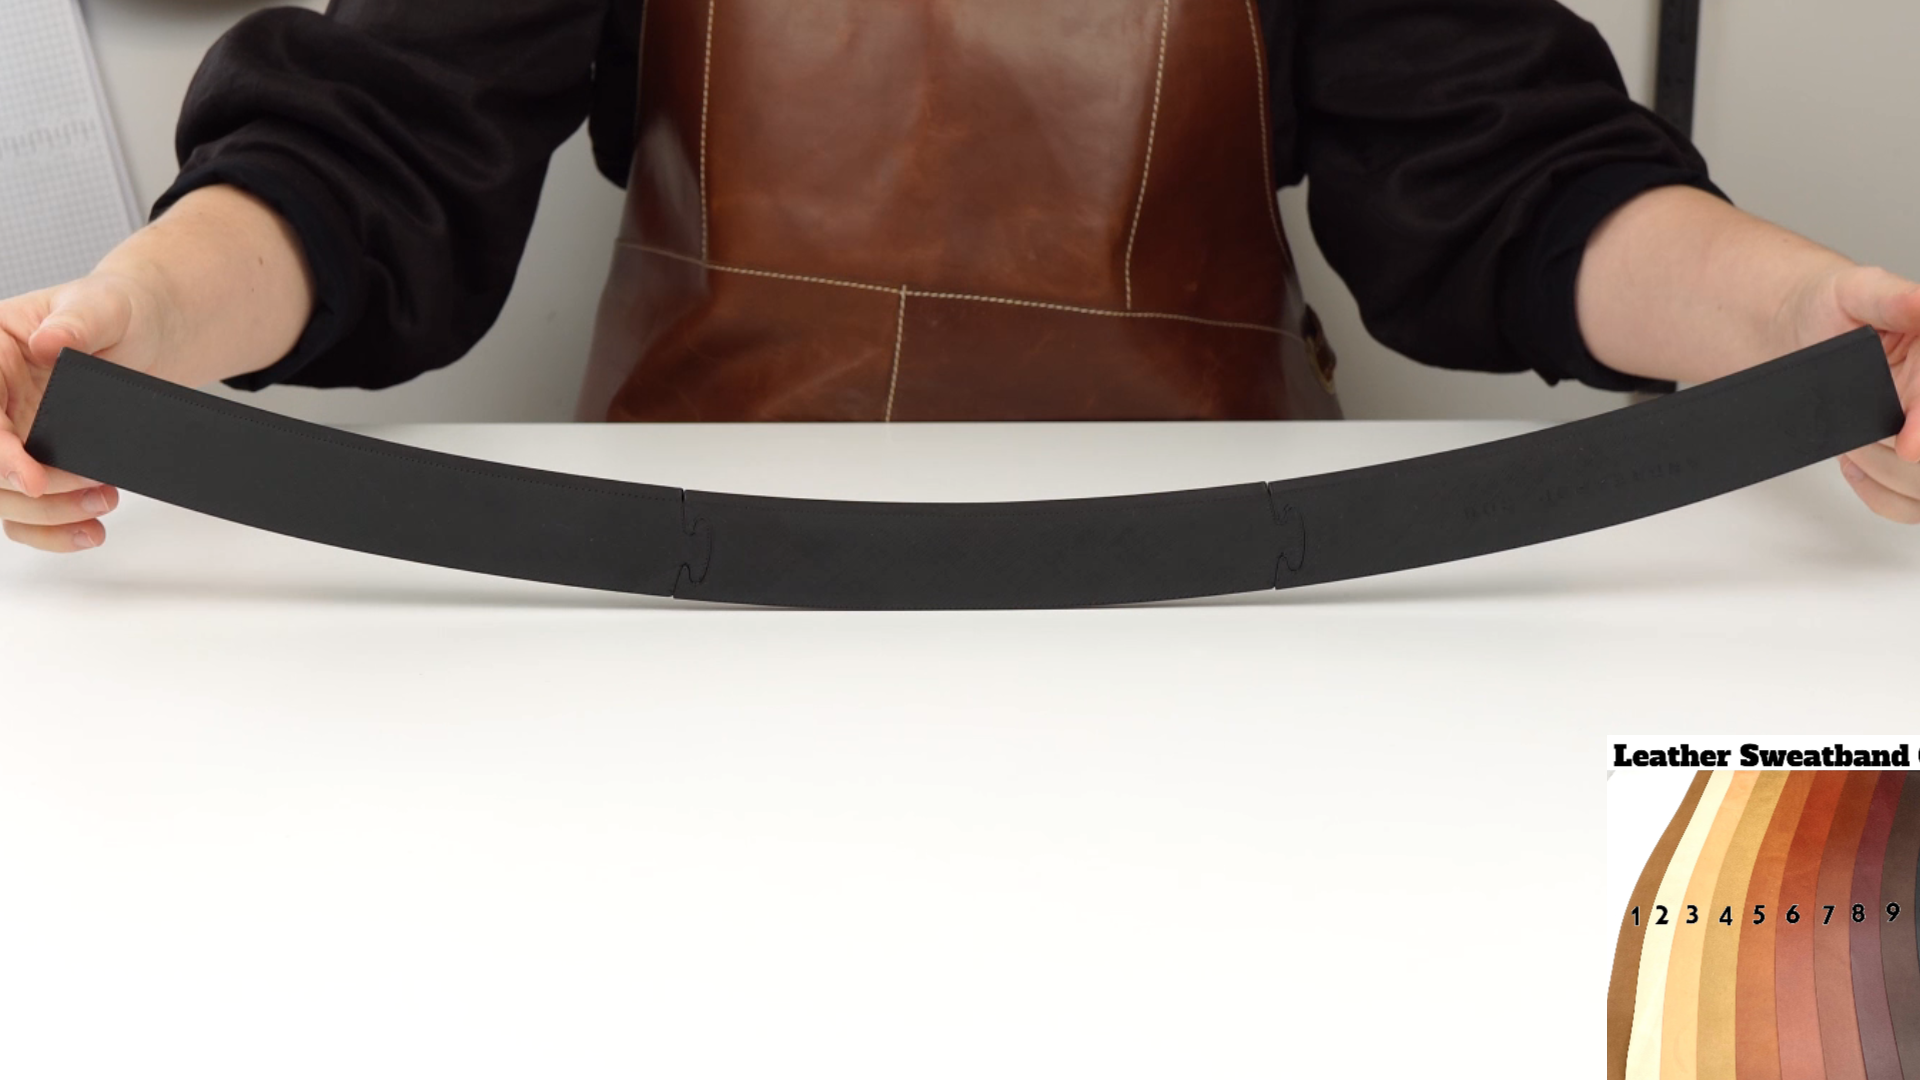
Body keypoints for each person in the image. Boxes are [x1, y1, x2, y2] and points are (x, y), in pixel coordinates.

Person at [3, 0, 1918, 556]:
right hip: (688, 587)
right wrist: (127, 327)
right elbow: (363, 164)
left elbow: (1531, 186)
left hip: (1225, 591)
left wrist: (1808, 324)